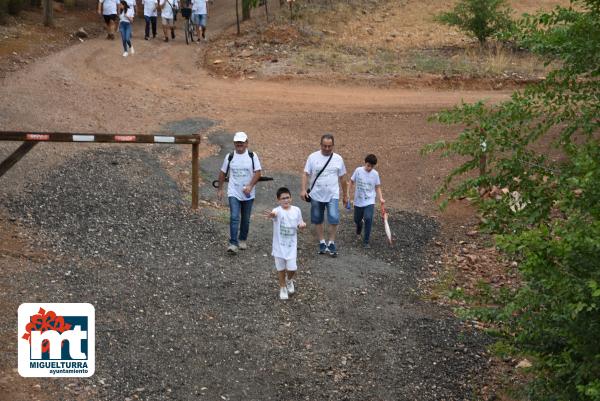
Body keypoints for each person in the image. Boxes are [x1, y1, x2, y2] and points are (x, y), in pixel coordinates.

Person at [301, 133, 348, 257]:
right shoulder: (312, 157)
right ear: (320, 145)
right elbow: (305, 173)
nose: (327, 149)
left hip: (332, 193)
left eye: (329, 146)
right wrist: (303, 189)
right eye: (324, 146)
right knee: (317, 218)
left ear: (333, 145)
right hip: (316, 194)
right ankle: (322, 241)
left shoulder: (338, 159)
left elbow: (343, 178)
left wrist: (345, 195)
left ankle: (331, 242)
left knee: (333, 217)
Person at [216, 132, 262, 254]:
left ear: (246, 143)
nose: (239, 144)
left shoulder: (252, 156)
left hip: (248, 194)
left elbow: (258, 172)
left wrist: (250, 186)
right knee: (234, 217)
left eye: (242, 142)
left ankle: (242, 239)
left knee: (245, 219)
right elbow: (222, 173)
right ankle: (233, 243)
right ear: (234, 143)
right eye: (237, 142)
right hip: (233, 192)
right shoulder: (229, 157)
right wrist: (220, 189)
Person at [264, 187, 306, 300]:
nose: (286, 200)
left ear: (291, 198)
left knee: (292, 268)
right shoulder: (277, 210)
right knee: (281, 268)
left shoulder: (296, 210)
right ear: (278, 200)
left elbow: (299, 223)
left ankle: (289, 280)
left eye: (287, 197)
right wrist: (272, 215)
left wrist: (302, 225)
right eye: (283, 198)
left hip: (291, 246)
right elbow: (274, 214)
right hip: (279, 246)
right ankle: (282, 287)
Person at [348, 154, 385, 248]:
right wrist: (348, 193)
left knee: (368, 218)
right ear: (365, 163)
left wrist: (380, 198)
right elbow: (351, 181)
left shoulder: (375, 174)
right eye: (368, 165)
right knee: (357, 219)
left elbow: (377, 187)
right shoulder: (358, 170)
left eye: (372, 167)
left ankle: (366, 241)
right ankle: (359, 226)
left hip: (369, 200)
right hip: (358, 201)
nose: (369, 168)